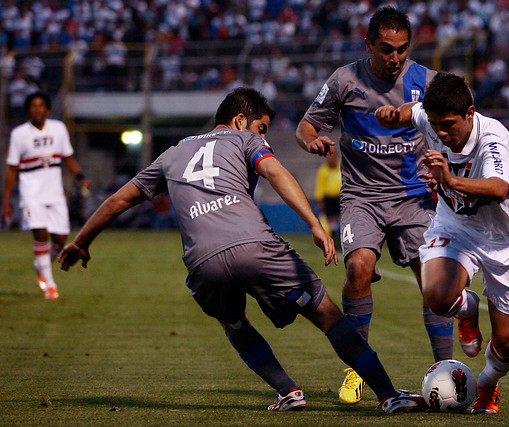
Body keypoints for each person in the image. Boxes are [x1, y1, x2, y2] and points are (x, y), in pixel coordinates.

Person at [57, 87, 425, 414]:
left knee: (232, 320)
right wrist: (314, 224)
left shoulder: (171, 154)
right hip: (256, 246)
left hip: (204, 262)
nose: (263, 136)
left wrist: (81, 242)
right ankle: (388, 394)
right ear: (239, 120)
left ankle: (288, 391)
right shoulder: (246, 140)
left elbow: (118, 201)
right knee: (326, 313)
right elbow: (276, 172)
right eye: (261, 127)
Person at [295, 6, 453, 404]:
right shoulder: (344, 80)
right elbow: (306, 125)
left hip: (414, 197)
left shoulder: (427, 83)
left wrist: (443, 165)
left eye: (402, 49)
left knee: (434, 285)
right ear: (368, 44)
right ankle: (357, 369)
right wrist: (311, 141)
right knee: (358, 267)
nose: (394, 57)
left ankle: (449, 373)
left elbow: (452, 130)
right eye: (386, 48)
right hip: (362, 196)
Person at [375, 72, 509, 414]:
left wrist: (448, 178)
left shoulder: (492, 139)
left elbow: (496, 188)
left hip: (505, 239)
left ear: (470, 113)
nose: (442, 133)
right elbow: (413, 111)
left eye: (449, 125)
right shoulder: (433, 119)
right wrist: (393, 113)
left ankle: (487, 385)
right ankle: (466, 308)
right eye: (436, 126)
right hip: (456, 226)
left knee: (506, 342)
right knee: (436, 296)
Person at [2, 91, 91, 300]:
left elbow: (67, 157)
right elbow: (12, 169)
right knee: (40, 234)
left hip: (55, 192)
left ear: (47, 109)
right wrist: (5, 201)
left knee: (60, 241)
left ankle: (41, 265)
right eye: (33, 106)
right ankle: (50, 285)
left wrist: (80, 177)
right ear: (28, 110)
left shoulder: (58, 129)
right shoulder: (19, 134)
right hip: (31, 192)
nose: (37, 109)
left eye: (41, 105)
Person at [314, 150, 341, 239]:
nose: (331, 159)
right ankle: (333, 234)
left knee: (341, 217)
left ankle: (341, 234)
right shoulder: (323, 170)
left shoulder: (341, 169)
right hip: (329, 198)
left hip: (340, 197)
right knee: (331, 218)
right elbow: (320, 185)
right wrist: (320, 199)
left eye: (333, 157)